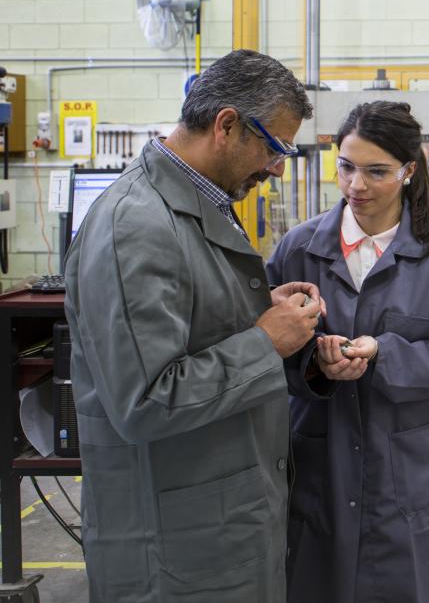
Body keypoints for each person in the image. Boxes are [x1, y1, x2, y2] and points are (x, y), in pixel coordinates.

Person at [64, 49, 322, 603]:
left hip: (219, 527)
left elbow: (189, 325)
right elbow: (145, 399)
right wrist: (265, 341)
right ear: (227, 125)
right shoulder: (134, 225)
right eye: (275, 148)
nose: (277, 167)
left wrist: (250, 310)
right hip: (175, 551)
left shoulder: (194, 202)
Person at [266, 101, 429, 603]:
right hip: (319, 472)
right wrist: (314, 366)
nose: (356, 185)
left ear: (409, 170)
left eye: (376, 172)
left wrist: (382, 352)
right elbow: (264, 359)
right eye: (346, 167)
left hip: (402, 480)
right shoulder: (298, 250)